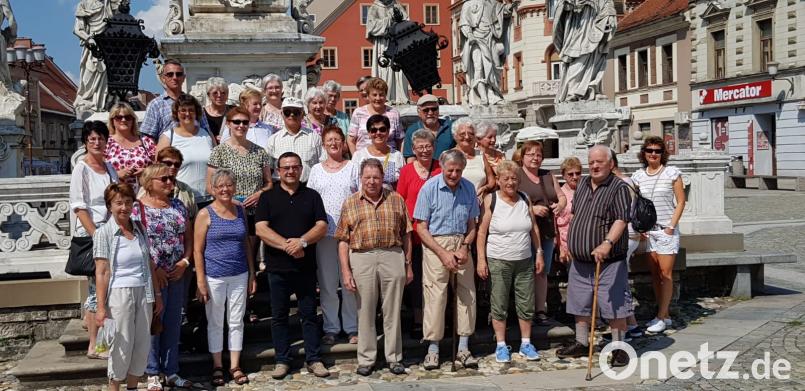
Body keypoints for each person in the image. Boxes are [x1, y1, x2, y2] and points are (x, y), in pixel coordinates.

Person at [255, 152, 330, 379]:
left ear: (301, 169)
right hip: (278, 267)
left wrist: (302, 242)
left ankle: (314, 359)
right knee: (279, 316)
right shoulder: (268, 197)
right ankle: (282, 360)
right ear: (278, 170)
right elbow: (260, 228)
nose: (290, 171)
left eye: (294, 167)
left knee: (308, 314)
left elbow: (322, 225)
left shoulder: (312, 195)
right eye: (286, 167)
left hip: (305, 266)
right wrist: (287, 246)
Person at [335, 158, 413, 376]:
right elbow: (342, 239)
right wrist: (346, 270)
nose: (372, 182)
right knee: (366, 310)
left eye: (376, 177)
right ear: (360, 179)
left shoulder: (396, 199)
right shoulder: (350, 202)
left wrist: (408, 264)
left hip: (392, 255)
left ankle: (394, 357)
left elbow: (407, 234)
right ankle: (367, 359)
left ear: (383, 179)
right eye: (367, 177)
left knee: (392, 310)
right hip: (362, 257)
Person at [556, 145, 632, 368]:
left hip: (608, 260)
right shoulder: (582, 184)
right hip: (580, 259)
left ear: (610, 164)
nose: (595, 166)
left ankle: (619, 348)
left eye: (600, 162)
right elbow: (577, 214)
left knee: (614, 303)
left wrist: (607, 243)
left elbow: (621, 219)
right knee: (580, 302)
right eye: (591, 162)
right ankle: (581, 342)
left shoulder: (618, 187)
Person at [413, 149, 480, 370]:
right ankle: (433, 349)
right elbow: (421, 227)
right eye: (450, 170)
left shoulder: (469, 188)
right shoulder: (429, 188)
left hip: (461, 243)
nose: (453, 174)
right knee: (435, 295)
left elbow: (473, 225)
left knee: (467, 295)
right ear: (442, 168)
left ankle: (463, 347)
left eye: (458, 170)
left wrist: (465, 247)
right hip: (435, 244)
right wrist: (442, 253)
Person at [93, 183, 162, 391]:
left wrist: (157, 294)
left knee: (141, 345)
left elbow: (149, 264)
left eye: (128, 202)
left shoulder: (139, 228)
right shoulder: (103, 233)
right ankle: (114, 387)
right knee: (121, 346)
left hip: (144, 291)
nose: (124, 207)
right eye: (118, 203)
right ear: (110, 206)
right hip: (119, 294)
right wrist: (101, 307)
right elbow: (102, 271)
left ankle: (132, 387)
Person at [194, 168, 257, 386]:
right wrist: (200, 280)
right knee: (215, 321)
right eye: (220, 185)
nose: (225, 189)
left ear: (234, 187)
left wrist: (251, 273)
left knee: (236, 320)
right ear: (212, 189)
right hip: (214, 276)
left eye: (229, 185)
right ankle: (217, 365)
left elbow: (246, 244)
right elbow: (197, 250)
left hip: (239, 273)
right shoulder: (205, 214)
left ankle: (235, 365)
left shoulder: (240, 211)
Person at [476, 160, 544, 363]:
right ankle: (500, 345)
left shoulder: (524, 198)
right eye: (505, 178)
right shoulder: (491, 199)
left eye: (514, 178)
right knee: (499, 302)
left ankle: (525, 343)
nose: (510, 182)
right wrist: (481, 259)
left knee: (525, 301)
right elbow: (482, 231)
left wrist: (539, 251)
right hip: (499, 259)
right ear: (498, 180)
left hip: (524, 259)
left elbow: (534, 228)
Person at [133, 164, 192, 390]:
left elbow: (188, 237)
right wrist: (154, 269)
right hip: (151, 274)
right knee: (153, 322)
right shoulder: (138, 209)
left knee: (173, 322)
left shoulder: (178, 205)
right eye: (164, 179)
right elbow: (138, 243)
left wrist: (184, 262)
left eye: (171, 178)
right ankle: (151, 370)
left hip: (176, 272)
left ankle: (171, 369)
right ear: (149, 183)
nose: (170, 183)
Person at [71, 120, 120, 360]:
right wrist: (97, 235)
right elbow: (79, 207)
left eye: (101, 138)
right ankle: (94, 345)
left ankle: (105, 341)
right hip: (92, 232)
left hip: (109, 230)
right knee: (95, 289)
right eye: (92, 139)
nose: (97, 142)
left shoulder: (110, 168)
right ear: (86, 143)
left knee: (107, 288)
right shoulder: (82, 168)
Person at [307, 126, 359, 345]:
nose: (334, 143)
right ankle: (330, 327)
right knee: (328, 283)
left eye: (337, 139)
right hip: (325, 234)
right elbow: (310, 200)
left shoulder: (353, 166)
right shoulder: (316, 170)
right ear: (323, 143)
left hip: (350, 234)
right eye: (329, 140)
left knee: (349, 282)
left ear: (343, 143)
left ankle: (352, 327)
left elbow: (360, 195)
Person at [632, 136, 685, 333]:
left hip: (665, 229)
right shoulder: (638, 176)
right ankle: (665, 314)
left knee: (666, 274)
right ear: (644, 153)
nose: (653, 154)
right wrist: (639, 228)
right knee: (654, 274)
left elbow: (680, 201)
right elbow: (634, 204)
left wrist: (671, 226)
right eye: (649, 150)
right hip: (648, 231)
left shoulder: (672, 173)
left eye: (657, 151)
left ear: (663, 154)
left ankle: (661, 316)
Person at [208, 106, 273, 266]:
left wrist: (259, 194)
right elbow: (209, 185)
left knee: (250, 256)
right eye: (237, 122)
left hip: (253, 211)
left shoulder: (260, 152)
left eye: (245, 122)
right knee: (232, 255)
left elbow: (269, 183)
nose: (241, 126)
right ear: (229, 124)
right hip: (228, 211)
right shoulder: (219, 152)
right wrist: (229, 201)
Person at [396, 129, 442, 338]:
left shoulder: (441, 169)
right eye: (420, 147)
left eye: (428, 146)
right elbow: (400, 201)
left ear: (434, 147)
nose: (424, 150)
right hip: (413, 233)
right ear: (413, 149)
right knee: (415, 278)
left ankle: (436, 319)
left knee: (435, 278)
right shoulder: (406, 172)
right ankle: (417, 319)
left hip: (437, 232)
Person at [517, 140, 566, 323]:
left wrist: (560, 205)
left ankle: (540, 310)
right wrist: (533, 209)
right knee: (524, 271)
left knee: (541, 270)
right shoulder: (518, 174)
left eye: (538, 154)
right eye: (531, 154)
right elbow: (510, 198)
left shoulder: (548, 175)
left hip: (545, 229)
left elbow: (560, 196)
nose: (535, 158)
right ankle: (524, 309)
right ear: (523, 157)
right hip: (524, 230)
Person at [156, 94, 216, 208]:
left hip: (209, 200)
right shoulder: (168, 137)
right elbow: (159, 169)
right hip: (182, 199)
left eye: (191, 110)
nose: (187, 114)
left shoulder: (206, 134)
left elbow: (217, 164)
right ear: (176, 113)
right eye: (183, 110)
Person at [552, 0, 617, 102]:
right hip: (578, 25)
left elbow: (607, 3)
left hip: (596, 23)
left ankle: (592, 90)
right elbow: (562, 5)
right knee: (577, 57)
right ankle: (573, 91)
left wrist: (610, 15)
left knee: (595, 58)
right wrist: (571, 3)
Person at [459, 0, 517, 106]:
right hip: (475, 40)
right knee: (479, 68)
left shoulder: (493, 3)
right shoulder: (468, 4)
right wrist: (470, 34)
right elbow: (464, 23)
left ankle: (494, 95)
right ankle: (483, 97)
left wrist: (508, 9)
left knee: (495, 67)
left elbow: (502, 12)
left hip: (491, 39)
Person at [611, 153, 642, 340]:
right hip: (632, 234)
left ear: (611, 163)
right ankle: (631, 324)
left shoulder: (618, 183)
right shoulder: (629, 181)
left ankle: (629, 325)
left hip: (624, 235)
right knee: (620, 282)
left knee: (618, 283)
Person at [141, 59, 209, 140]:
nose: (175, 77)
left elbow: (206, 131)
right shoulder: (156, 105)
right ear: (163, 78)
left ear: (183, 78)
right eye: (170, 74)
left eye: (178, 74)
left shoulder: (194, 102)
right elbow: (147, 137)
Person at [73, 0, 117, 115]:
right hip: (92, 47)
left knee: (106, 76)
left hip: (107, 47)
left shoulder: (108, 4)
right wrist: (88, 39)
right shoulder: (84, 4)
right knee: (89, 75)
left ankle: (101, 104)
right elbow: (77, 30)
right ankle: (87, 100)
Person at [265, 97, 322, 183]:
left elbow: (323, 166)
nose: (291, 115)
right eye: (287, 112)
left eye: (296, 112)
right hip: (280, 188)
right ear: (282, 114)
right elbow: (268, 170)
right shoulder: (273, 140)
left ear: (302, 114)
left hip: (306, 188)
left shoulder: (314, 137)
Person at [366, 0, 410, 105]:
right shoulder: (374, 8)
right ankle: (385, 96)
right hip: (383, 44)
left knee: (399, 70)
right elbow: (371, 27)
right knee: (384, 69)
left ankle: (400, 97)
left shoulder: (397, 5)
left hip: (397, 43)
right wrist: (389, 20)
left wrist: (399, 23)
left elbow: (407, 22)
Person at [138, 147, 198, 222]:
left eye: (177, 164)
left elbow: (194, 217)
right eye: (168, 163)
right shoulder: (145, 189)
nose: (173, 167)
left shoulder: (185, 189)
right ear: (157, 163)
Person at [105, 102, 155, 192]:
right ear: (112, 120)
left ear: (133, 120)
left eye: (128, 117)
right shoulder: (105, 142)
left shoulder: (146, 141)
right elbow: (97, 169)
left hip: (143, 193)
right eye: (119, 117)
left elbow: (158, 167)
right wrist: (116, 174)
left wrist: (146, 172)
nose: (123, 120)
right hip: (116, 195)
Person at [347, 78, 403, 154]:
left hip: (389, 157)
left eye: (381, 95)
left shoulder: (394, 113)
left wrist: (399, 157)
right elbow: (351, 140)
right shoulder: (358, 113)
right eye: (374, 95)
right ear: (368, 96)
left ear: (385, 95)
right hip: (364, 160)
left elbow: (400, 139)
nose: (378, 98)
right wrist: (355, 159)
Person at [351, 115, 405, 190]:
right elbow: (353, 184)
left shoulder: (397, 156)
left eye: (382, 129)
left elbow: (403, 183)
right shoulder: (358, 156)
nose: (378, 133)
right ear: (369, 134)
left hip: (390, 200)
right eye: (374, 130)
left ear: (388, 131)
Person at [401, 94, 455, 163]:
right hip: (424, 172)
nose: (430, 113)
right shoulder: (412, 131)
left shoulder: (450, 127)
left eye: (434, 109)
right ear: (419, 112)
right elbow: (411, 159)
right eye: (426, 110)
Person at [452, 117, 495, 197]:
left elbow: (491, 179)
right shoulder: (449, 155)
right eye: (462, 134)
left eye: (471, 133)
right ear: (455, 136)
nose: (467, 137)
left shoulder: (480, 154)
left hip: (479, 202)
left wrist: (485, 188)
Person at [556, 156, 582, 264]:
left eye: (578, 173)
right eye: (570, 174)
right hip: (567, 243)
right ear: (563, 176)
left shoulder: (588, 191)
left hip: (584, 241)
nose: (575, 177)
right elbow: (554, 224)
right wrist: (560, 248)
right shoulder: (559, 195)